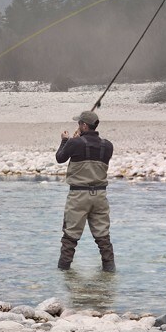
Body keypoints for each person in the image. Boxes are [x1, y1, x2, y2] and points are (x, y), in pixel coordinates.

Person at [56, 110, 115, 272]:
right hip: (100, 197)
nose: (77, 126)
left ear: (83, 125)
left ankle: (63, 273)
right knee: (103, 236)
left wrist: (66, 141)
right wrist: (77, 140)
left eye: (79, 124)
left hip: (78, 196)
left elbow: (60, 158)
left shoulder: (75, 143)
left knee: (70, 237)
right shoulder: (107, 145)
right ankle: (109, 270)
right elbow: (89, 148)